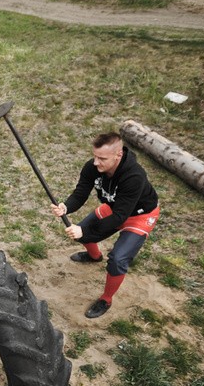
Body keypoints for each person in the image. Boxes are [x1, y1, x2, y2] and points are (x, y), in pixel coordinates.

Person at [50, 132, 159, 318]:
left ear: (118, 155)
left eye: (102, 158)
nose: (96, 162)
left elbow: (119, 217)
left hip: (140, 216)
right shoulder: (93, 167)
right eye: (95, 156)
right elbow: (80, 193)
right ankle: (94, 256)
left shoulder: (135, 176)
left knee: (117, 260)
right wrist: (66, 207)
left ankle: (106, 299)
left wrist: (84, 230)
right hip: (115, 208)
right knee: (81, 234)